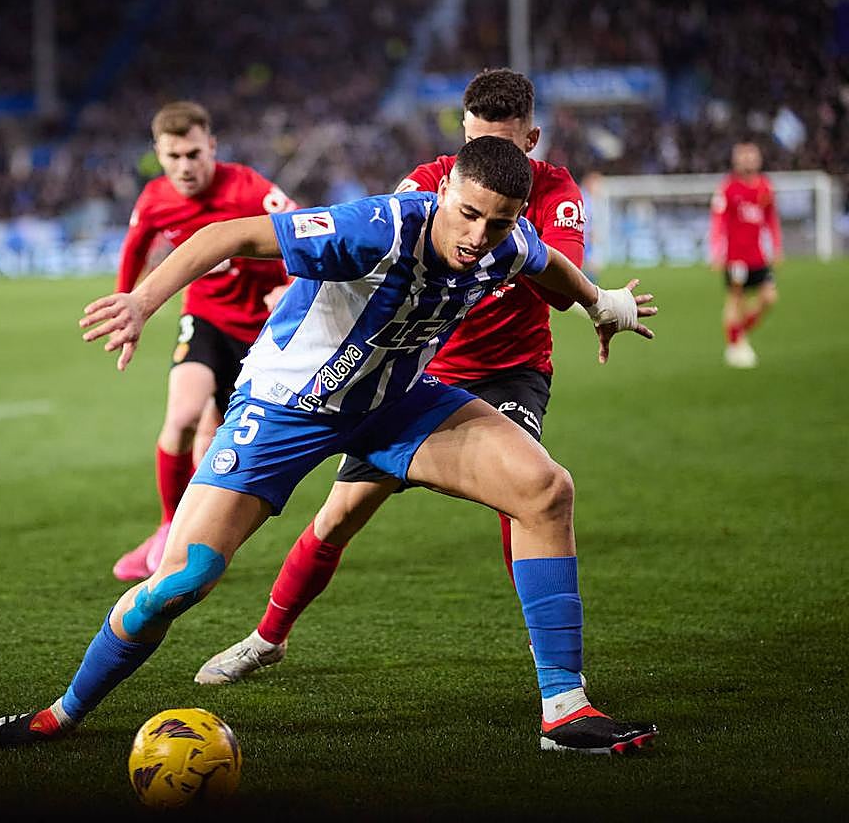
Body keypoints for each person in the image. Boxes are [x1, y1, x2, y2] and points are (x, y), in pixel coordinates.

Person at [0, 135, 659, 755]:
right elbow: (227, 234)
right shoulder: (375, 228)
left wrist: (601, 304)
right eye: (469, 214)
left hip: (394, 402)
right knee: (184, 580)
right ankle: (62, 714)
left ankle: (565, 713)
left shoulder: (506, 243)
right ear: (445, 189)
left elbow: (548, 265)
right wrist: (141, 301)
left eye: (500, 222)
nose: (479, 236)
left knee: (545, 489)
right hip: (285, 408)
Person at [195, 67, 592, 685]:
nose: (485, 161)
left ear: (531, 141)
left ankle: (557, 678)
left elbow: (562, 286)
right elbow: (380, 260)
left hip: (508, 372)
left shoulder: (556, 193)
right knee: (339, 515)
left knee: (530, 493)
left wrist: (549, 279)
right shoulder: (432, 182)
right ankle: (267, 638)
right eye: (473, 144)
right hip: (416, 373)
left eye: (502, 146)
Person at [110, 101, 295, 581]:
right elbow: (133, 253)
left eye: (193, 154)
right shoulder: (154, 198)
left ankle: (193, 537)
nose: (184, 167)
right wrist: (127, 309)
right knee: (182, 418)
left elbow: (306, 232)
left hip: (262, 330)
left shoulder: (250, 188)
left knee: (217, 439)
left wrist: (291, 287)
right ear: (158, 154)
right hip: (206, 318)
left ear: (211, 146)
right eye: (172, 157)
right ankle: (168, 529)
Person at [710, 140, 781, 369]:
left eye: (751, 156)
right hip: (736, 257)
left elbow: (771, 219)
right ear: (736, 160)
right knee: (735, 299)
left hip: (758, 256)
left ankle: (739, 333)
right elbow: (718, 221)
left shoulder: (765, 187)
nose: (748, 160)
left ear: (758, 159)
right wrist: (716, 251)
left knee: (769, 298)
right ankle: (734, 345)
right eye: (743, 156)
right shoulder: (728, 188)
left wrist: (776, 247)